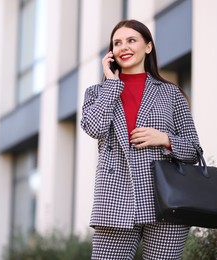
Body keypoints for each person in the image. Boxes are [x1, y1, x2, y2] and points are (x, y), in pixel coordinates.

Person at [81, 19, 201, 259]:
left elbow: (194, 150)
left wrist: (165, 138)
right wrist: (113, 84)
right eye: (117, 43)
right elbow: (94, 128)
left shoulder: (170, 93)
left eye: (131, 40)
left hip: (165, 200)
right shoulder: (97, 92)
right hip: (114, 200)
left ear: (147, 47)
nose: (123, 47)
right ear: (111, 52)